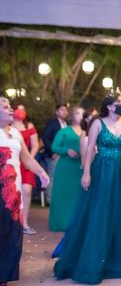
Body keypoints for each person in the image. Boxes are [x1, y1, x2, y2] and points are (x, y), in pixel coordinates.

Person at [54, 94, 121, 283]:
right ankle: (92, 261)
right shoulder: (98, 123)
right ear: (108, 106)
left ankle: (118, 259)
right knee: (99, 212)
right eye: (118, 104)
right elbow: (90, 148)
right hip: (102, 171)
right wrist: (86, 173)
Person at [0, 97, 49, 285]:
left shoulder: (16, 134)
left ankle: (4, 275)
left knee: (12, 234)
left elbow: (27, 159)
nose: (11, 110)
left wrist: (42, 172)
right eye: (6, 107)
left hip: (13, 194)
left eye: (10, 106)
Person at [49, 106, 84, 232]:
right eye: (78, 113)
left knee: (78, 194)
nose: (80, 115)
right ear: (72, 116)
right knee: (64, 194)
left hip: (81, 167)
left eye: (82, 113)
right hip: (66, 166)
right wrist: (66, 150)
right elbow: (54, 147)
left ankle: (78, 223)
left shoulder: (90, 131)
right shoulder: (64, 131)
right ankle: (62, 222)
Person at [12, 105, 39, 235]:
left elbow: (35, 145)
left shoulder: (30, 126)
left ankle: (25, 223)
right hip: (10, 162)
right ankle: (13, 222)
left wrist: (30, 159)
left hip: (26, 163)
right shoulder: (8, 126)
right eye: (18, 108)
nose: (21, 111)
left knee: (26, 190)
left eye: (23, 108)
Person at [42, 103, 68, 204]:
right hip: (53, 155)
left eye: (66, 110)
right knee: (52, 177)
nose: (64, 112)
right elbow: (45, 138)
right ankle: (50, 199)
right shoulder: (52, 123)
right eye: (62, 110)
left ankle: (60, 199)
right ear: (57, 112)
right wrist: (53, 151)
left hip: (64, 155)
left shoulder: (66, 124)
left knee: (62, 177)